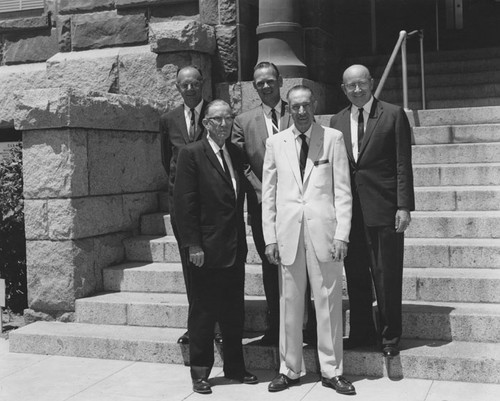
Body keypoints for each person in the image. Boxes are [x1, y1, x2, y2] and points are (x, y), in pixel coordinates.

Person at [262, 85, 355, 395]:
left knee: (328, 302)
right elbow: (269, 195)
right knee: (289, 303)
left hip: (325, 235)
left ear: (314, 105)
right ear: (288, 108)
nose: (301, 112)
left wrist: (342, 234)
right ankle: (289, 370)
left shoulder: (332, 138)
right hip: (288, 234)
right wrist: (270, 238)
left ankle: (332, 370)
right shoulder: (275, 142)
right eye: (295, 106)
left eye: (306, 105)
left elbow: (342, 191)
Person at [330, 64, 415, 358]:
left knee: (386, 274)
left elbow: (403, 163)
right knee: (355, 275)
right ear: (343, 89)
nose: (356, 90)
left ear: (371, 83)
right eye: (350, 86)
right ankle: (362, 331)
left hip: (385, 208)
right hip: (350, 213)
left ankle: (390, 336)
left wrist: (404, 205)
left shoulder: (392, 114)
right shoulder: (337, 120)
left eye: (361, 84)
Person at [174, 99, 258, 394]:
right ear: (205, 123)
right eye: (216, 119)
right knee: (204, 313)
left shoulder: (235, 152)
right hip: (205, 250)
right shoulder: (191, 154)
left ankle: (235, 367)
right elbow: (184, 205)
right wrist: (192, 245)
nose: (223, 124)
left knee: (234, 312)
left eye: (227, 118)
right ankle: (200, 372)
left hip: (234, 249)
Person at [232, 61, 316, 346]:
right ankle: (276, 325)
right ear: (254, 87)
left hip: (299, 204)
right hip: (262, 207)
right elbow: (242, 165)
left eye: (270, 80)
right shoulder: (243, 122)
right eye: (259, 83)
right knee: (272, 267)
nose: (266, 86)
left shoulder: (297, 112)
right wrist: (264, 193)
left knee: (302, 263)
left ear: (281, 81)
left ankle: (308, 324)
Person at [159, 65, 221, 345]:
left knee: (217, 266)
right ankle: (197, 327)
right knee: (191, 268)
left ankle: (220, 324)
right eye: (184, 85)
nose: (190, 88)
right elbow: (166, 161)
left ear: (202, 83)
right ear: (177, 88)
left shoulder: (215, 113)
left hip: (213, 205)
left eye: (194, 83)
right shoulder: (168, 119)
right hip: (183, 206)